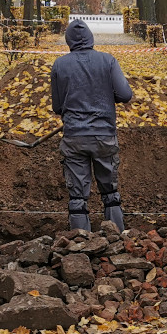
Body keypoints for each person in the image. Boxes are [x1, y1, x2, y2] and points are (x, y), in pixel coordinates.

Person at [50, 19, 133, 231]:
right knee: (110, 193)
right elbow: (125, 95)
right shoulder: (108, 61)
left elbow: (57, 107)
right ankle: (117, 239)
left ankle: (80, 243)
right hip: (104, 136)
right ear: (91, 38)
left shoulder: (60, 64)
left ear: (68, 40)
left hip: (74, 138)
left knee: (77, 197)